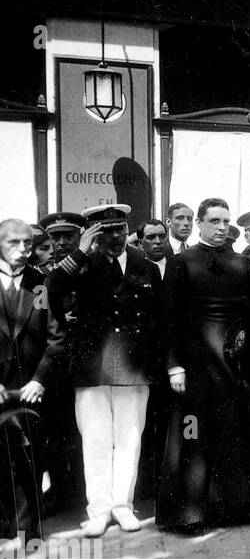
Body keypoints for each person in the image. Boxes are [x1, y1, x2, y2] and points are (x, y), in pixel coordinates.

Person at [156, 198, 250, 534]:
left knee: (231, 437)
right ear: (200, 225)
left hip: (232, 367)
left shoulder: (240, 263)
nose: (222, 227)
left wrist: (248, 347)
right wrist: (174, 367)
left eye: (226, 221)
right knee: (192, 435)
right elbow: (169, 319)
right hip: (194, 369)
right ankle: (190, 514)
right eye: (215, 221)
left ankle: (232, 508)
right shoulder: (181, 263)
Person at [47, 202, 162, 537]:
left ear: (129, 229)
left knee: (129, 439)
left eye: (121, 230)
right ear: (94, 235)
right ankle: (97, 510)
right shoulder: (80, 265)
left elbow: (159, 318)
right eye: (106, 232)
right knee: (95, 440)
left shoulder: (145, 266)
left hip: (133, 365)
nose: (116, 237)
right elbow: (54, 288)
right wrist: (81, 251)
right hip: (91, 367)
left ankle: (122, 506)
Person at [0, 217, 58, 539]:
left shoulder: (40, 284)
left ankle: (26, 528)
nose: (23, 250)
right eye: (13, 243)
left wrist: (39, 379)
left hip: (29, 389)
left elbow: (55, 337)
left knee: (29, 457)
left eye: (27, 243)